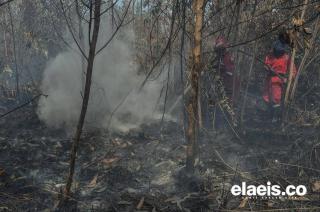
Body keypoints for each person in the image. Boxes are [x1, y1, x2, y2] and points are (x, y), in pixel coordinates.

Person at [262, 39, 297, 122]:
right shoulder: (270, 56)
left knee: (276, 98)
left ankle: (275, 118)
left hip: (279, 80)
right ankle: (268, 116)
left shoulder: (286, 57)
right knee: (266, 96)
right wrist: (268, 69)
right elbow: (266, 65)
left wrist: (289, 79)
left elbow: (293, 70)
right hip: (269, 78)